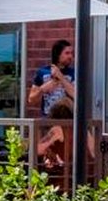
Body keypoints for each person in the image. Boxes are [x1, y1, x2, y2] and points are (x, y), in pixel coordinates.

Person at [32, 39, 77, 181]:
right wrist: (44, 88)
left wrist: (61, 78)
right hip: (47, 121)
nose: (70, 56)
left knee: (65, 155)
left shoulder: (73, 73)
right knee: (43, 154)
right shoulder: (42, 73)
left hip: (67, 123)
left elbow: (76, 95)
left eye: (71, 53)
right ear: (58, 55)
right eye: (67, 53)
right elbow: (31, 98)